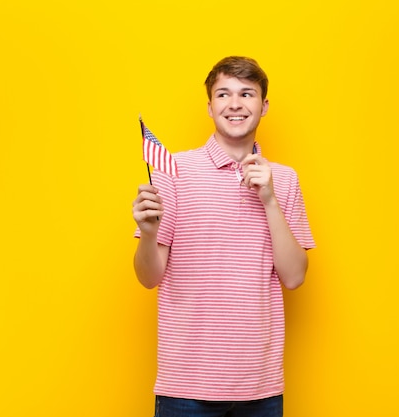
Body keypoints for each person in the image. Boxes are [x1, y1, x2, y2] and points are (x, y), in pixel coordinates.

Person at [132, 56, 315, 417]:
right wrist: (150, 233)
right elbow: (148, 278)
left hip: (260, 385)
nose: (235, 103)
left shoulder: (286, 179)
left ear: (263, 107)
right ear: (210, 106)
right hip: (185, 384)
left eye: (247, 94)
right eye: (223, 94)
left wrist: (269, 199)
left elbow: (294, 277)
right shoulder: (172, 170)